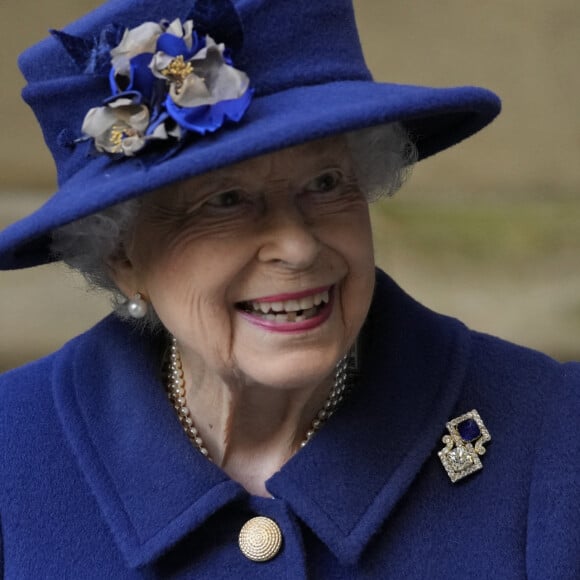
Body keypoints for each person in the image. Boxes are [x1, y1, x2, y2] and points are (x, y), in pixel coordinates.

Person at [0, 0, 578, 577]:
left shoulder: (552, 432)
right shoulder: (13, 450)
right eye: (225, 200)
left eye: (326, 183)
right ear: (122, 255)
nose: (298, 247)